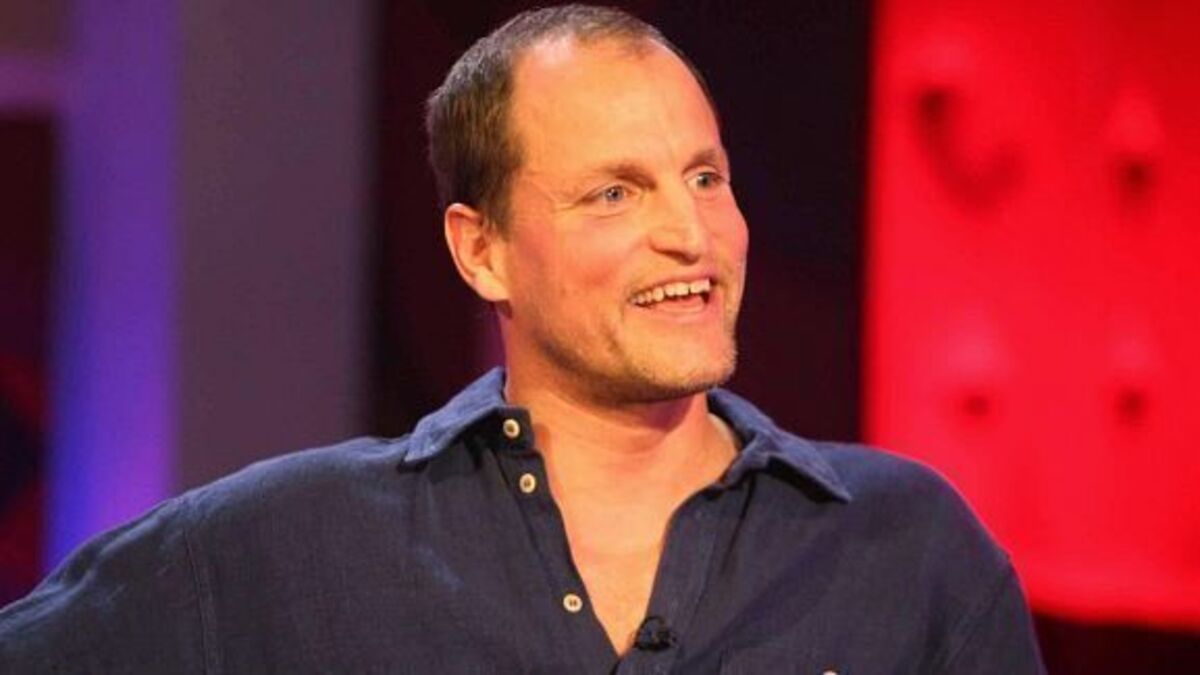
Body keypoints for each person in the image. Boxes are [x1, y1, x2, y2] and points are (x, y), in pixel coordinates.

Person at [0, 5, 1045, 673]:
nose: (691, 233)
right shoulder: (288, 548)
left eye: (705, 177)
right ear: (483, 250)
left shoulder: (907, 549)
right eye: (614, 193)